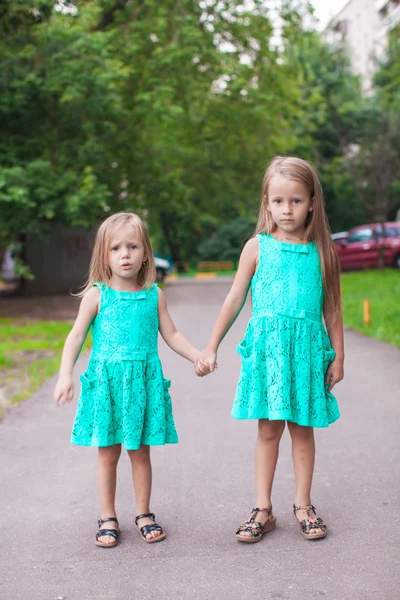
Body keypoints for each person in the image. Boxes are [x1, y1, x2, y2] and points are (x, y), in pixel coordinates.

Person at [197, 156, 344, 542]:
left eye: (296, 200)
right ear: (266, 202)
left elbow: (332, 309)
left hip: (307, 352)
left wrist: (338, 356)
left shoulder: (322, 252)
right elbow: (233, 299)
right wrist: (211, 346)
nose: (287, 209)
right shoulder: (256, 247)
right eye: (278, 201)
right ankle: (263, 508)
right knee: (267, 430)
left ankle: (303, 504)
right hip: (270, 353)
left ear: (312, 201)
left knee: (302, 429)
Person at [54, 212, 208, 548]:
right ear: (103, 256)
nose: (124, 254)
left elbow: (172, 334)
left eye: (132, 246)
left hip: (141, 385)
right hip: (107, 386)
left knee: (139, 452)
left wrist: (197, 355)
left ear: (145, 254)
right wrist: (65, 375)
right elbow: (76, 335)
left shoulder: (154, 295)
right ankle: (108, 516)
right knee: (107, 453)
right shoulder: (97, 296)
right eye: (116, 248)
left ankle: (143, 513)